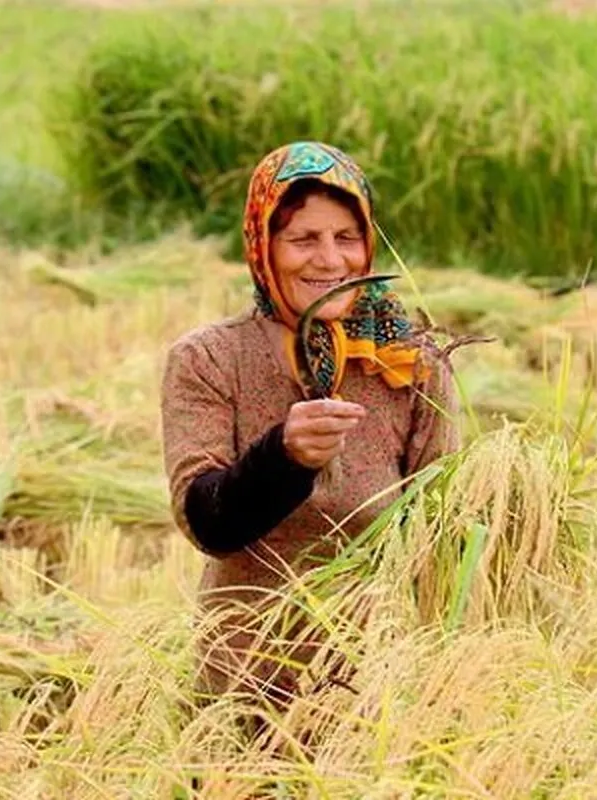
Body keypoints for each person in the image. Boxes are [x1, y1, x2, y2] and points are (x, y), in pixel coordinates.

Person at [160, 141, 461, 724]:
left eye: (346, 238)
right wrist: (284, 457)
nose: (330, 261)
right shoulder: (210, 359)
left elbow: (440, 530)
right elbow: (207, 522)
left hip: (374, 695)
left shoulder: (410, 362)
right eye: (303, 240)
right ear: (262, 248)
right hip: (242, 690)